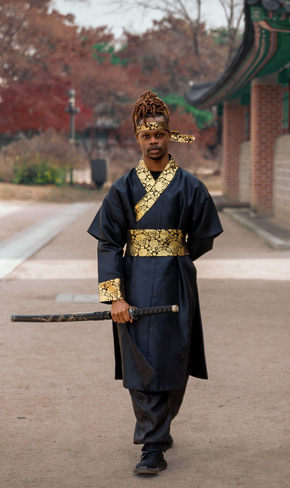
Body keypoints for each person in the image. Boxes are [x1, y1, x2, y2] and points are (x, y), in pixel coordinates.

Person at [87, 90, 222, 475]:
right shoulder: (123, 188)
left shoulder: (191, 186)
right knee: (142, 363)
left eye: (159, 134)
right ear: (138, 139)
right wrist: (115, 297)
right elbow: (110, 242)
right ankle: (152, 445)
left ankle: (160, 425)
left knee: (174, 361)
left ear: (169, 135)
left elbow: (204, 236)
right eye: (146, 136)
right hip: (133, 282)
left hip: (177, 280)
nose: (153, 141)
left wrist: (177, 256)